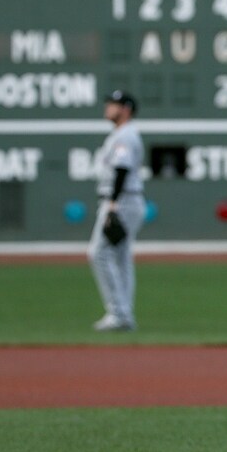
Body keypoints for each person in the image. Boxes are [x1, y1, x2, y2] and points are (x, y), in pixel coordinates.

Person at [89, 90, 146, 332]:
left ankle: (118, 312)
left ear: (126, 109)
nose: (108, 107)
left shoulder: (125, 136)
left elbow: (121, 170)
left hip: (121, 201)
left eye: (113, 104)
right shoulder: (122, 135)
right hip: (127, 200)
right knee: (121, 258)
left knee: (99, 253)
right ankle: (124, 314)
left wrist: (112, 204)